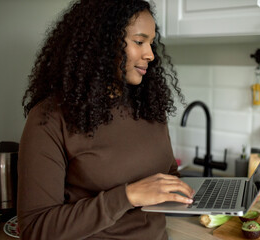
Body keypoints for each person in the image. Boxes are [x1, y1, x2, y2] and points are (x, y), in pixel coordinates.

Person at [17, 0, 194, 239]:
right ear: (102, 43)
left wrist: (190, 193)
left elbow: (168, 173)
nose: (151, 54)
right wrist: (127, 196)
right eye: (139, 42)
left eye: (151, 43)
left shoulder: (148, 106)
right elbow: (36, 227)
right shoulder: (49, 119)